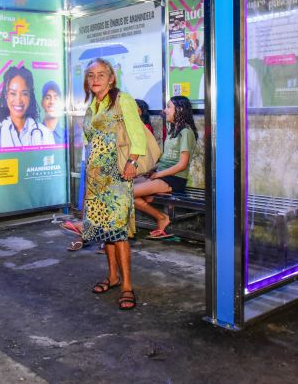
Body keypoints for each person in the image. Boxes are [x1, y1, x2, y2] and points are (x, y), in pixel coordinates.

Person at [80, 58, 146, 310]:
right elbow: (89, 138)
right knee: (103, 230)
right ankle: (113, 276)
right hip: (96, 179)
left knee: (118, 232)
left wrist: (132, 162)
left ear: (111, 78)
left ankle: (127, 285)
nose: (95, 79)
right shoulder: (92, 105)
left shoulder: (123, 100)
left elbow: (137, 134)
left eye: (101, 74)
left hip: (117, 176)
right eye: (90, 75)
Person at [133, 95, 197, 238]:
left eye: (169, 107)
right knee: (125, 189)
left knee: (128, 193)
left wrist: (157, 175)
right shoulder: (172, 129)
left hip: (174, 179)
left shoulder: (186, 132)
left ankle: (162, 218)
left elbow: (182, 165)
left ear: (179, 110)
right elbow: (165, 158)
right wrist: (150, 170)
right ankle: (161, 217)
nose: (164, 110)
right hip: (162, 175)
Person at [0, 66, 53, 148]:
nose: (18, 100)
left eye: (24, 93)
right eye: (13, 93)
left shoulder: (45, 134)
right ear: (6, 95)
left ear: (30, 96)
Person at [40, 80, 66, 145]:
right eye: (48, 97)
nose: (52, 102)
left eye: (56, 98)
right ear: (42, 103)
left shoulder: (67, 135)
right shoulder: (35, 133)